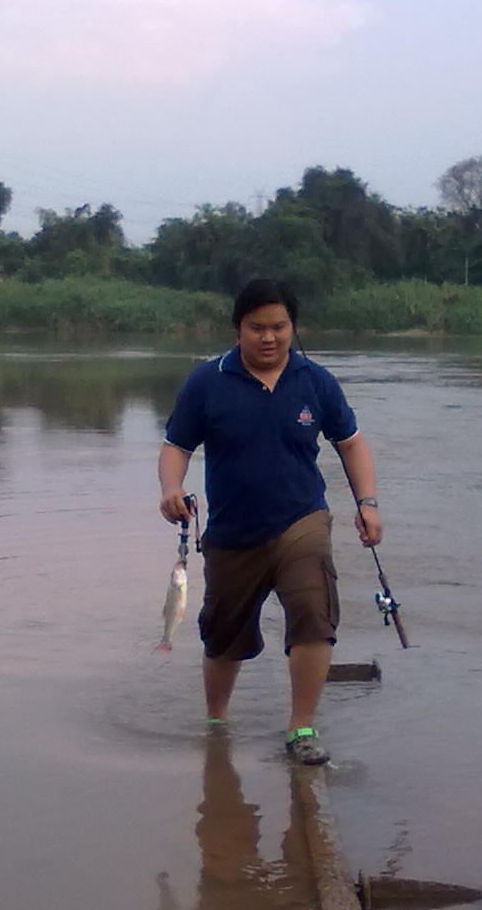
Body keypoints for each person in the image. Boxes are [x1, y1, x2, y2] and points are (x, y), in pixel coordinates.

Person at [158, 279, 382, 765]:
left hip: (301, 519)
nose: (269, 337)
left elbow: (351, 443)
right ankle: (217, 723)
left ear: (292, 328)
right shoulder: (206, 382)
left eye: (279, 327)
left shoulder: (316, 381)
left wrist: (368, 502)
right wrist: (171, 489)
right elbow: (177, 446)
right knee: (222, 637)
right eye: (256, 327)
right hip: (233, 533)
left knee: (314, 618)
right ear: (237, 329)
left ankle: (301, 728)